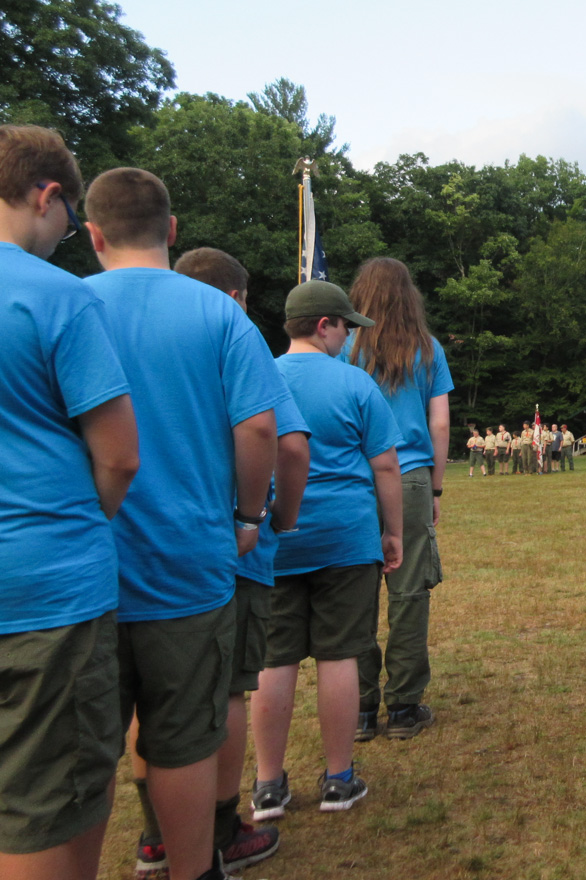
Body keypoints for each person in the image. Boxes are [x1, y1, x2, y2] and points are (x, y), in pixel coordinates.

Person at [84, 168, 280, 880]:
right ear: (171, 231)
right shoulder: (219, 314)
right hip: (189, 561)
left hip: (87, 564)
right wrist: (249, 516)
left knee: (98, 737)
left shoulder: (63, 305)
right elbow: (261, 428)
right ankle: (194, 867)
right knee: (186, 733)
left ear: (93, 234)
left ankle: (147, 844)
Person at [137, 247, 309, 876]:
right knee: (228, 688)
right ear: (236, 297)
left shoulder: (102, 318)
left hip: (129, 542)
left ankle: (156, 835)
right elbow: (283, 440)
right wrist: (259, 519)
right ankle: (219, 827)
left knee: (147, 697)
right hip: (220, 544)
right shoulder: (231, 333)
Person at [0, 127, 139, 880]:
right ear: (46, 196)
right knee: (51, 802)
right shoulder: (52, 293)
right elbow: (118, 454)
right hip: (45, 592)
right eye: (66, 215)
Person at [251, 281, 403, 815]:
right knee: (340, 655)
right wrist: (394, 532)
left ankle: (268, 783)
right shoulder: (356, 383)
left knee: (274, 660)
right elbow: (386, 464)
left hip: (273, 540)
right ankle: (339, 778)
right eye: (344, 327)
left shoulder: (257, 374)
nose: (348, 337)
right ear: (324, 326)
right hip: (345, 537)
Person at [346, 257, 453, 739]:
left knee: (355, 597)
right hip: (409, 475)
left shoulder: (342, 347)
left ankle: (361, 708)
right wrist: (434, 487)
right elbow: (441, 424)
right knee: (409, 592)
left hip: (353, 479)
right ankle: (404, 707)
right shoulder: (427, 349)